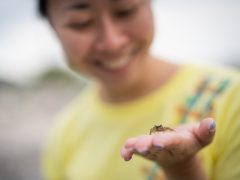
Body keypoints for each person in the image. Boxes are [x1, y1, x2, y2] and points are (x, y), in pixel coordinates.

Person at [38, 0, 240, 179]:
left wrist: (182, 167)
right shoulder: (63, 134)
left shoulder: (233, 97)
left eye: (126, 11)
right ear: (53, 29)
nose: (112, 43)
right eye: (81, 23)